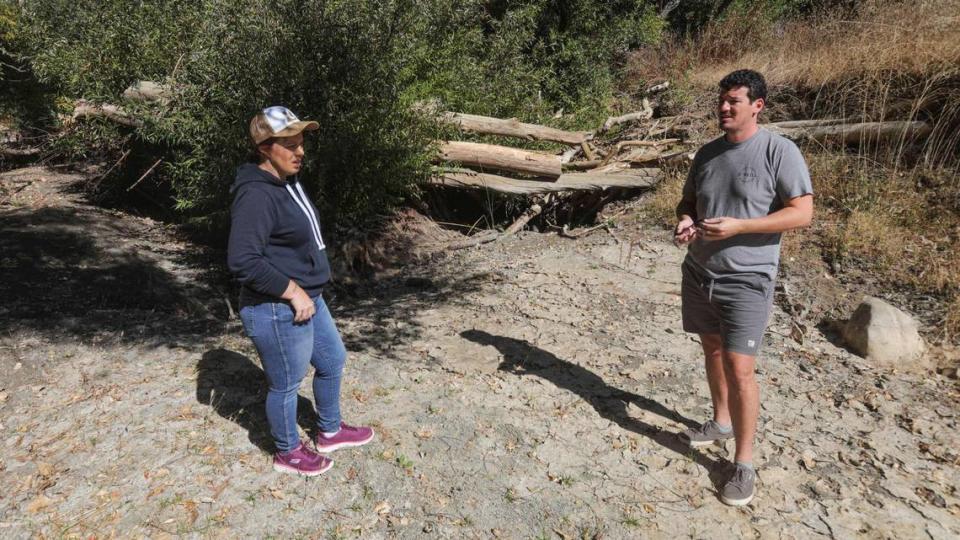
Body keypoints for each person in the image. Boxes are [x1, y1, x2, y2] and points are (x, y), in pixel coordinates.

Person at [674, 70, 813, 506]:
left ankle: (744, 463)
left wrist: (742, 227)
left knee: (741, 369)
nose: (724, 107)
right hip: (700, 273)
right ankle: (719, 422)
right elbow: (689, 202)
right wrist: (684, 221)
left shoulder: (779, 150)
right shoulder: (708, 153)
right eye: (722, 100)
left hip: (747, 279)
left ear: (757, 105)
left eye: (734, 101)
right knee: (711, 350)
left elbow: (801, 213)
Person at [228, 106, 374, 477]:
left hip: (310, 297)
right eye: (289, 144)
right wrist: (292, 291)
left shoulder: (287, 180)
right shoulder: (256, 194)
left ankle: (330, 430)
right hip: (275, 307)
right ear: (264, 147)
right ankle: (287, 451)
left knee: (331, 361)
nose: (300, 151)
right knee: (287, 384)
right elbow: (242, 259)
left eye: (301, 142)